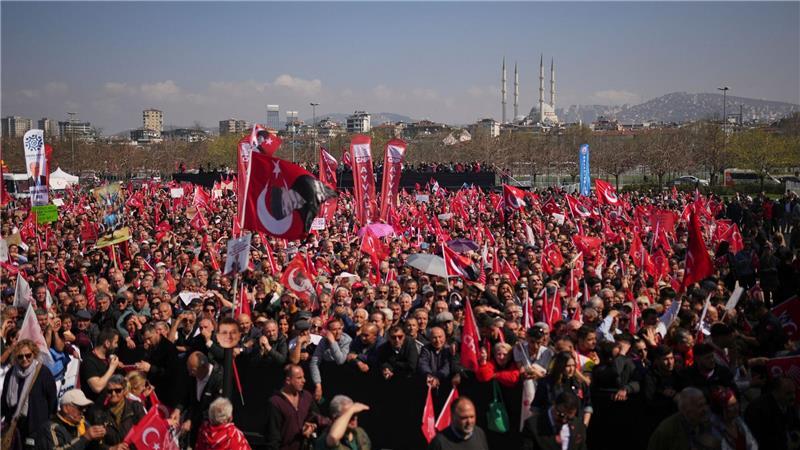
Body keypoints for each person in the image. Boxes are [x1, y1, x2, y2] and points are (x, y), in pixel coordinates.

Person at [1, 339, 58, 449]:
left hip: (37, 426)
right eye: (20, 356)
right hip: (16, 427)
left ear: (34, 354)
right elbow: (4, 400)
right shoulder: (11, 373)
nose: (24, 359)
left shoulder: (43, 372)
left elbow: (52, 399)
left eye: (28, 355)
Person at [266, 364, 323, 450]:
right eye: (299, 378)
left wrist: (311, 427)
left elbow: (318, 419)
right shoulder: (276, 402)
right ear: (288, 380)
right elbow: (273, 437)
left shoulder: (306, 396)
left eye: (303, 377)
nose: (304, 380)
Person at [33, 389, 111, 450]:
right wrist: (85, 438)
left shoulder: (84, 423)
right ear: (66, 408)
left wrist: (98, 440)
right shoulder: (50, 428)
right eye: (80, 408)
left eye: (85, 408)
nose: (84, 411)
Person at [533, 351, 592, 427]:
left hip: (574, 427)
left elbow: (587, 406)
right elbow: (536, 408)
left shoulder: (580, 384)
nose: (571, 369)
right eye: (568, 366)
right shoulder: (546, 384)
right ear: (560, 366)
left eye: (573, 365)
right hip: (551, 425)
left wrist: (583, 425)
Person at [84, 374, 145, 448]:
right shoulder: (98, 413)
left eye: (118, 390)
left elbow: (145, 432)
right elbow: (93, 444)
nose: (113, 394)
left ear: (124, 390)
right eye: (109, 391)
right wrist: (111, 448)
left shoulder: (135, 407)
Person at [180, 351, 223, 447]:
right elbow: (189, 397)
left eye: (192, 371)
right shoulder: (193, 376)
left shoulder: (218, 378)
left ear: (203, 368)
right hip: (196, 427)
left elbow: (215, 409)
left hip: (211, 429)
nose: (190, 374)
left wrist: (192, 421)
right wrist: (178, 409)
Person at [647, 387, 713, 450]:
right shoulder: (666, 432)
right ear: (687, 410)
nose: (706, 409)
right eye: (700, 406)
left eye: (705, 404)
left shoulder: (706, 423)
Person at [744, 376, 799, 450]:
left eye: (794, 392)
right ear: (776, 392)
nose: (793, 396)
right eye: (788, 393)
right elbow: (761, 440)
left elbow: (795, 424)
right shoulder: (758, 409)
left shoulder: (787, 403)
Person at [521, 391, 587, 450]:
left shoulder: (579, 427)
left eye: (569, 419)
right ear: (554, 406)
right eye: (561, 415)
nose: (564, 421)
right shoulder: (533, 425)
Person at [78, 328, 121, 403]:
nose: (117, 346)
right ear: (107, 343)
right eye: (115, 342)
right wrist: (112, 368)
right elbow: (97, 387)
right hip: (95, 407)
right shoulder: (89, 361)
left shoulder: (108, 358)